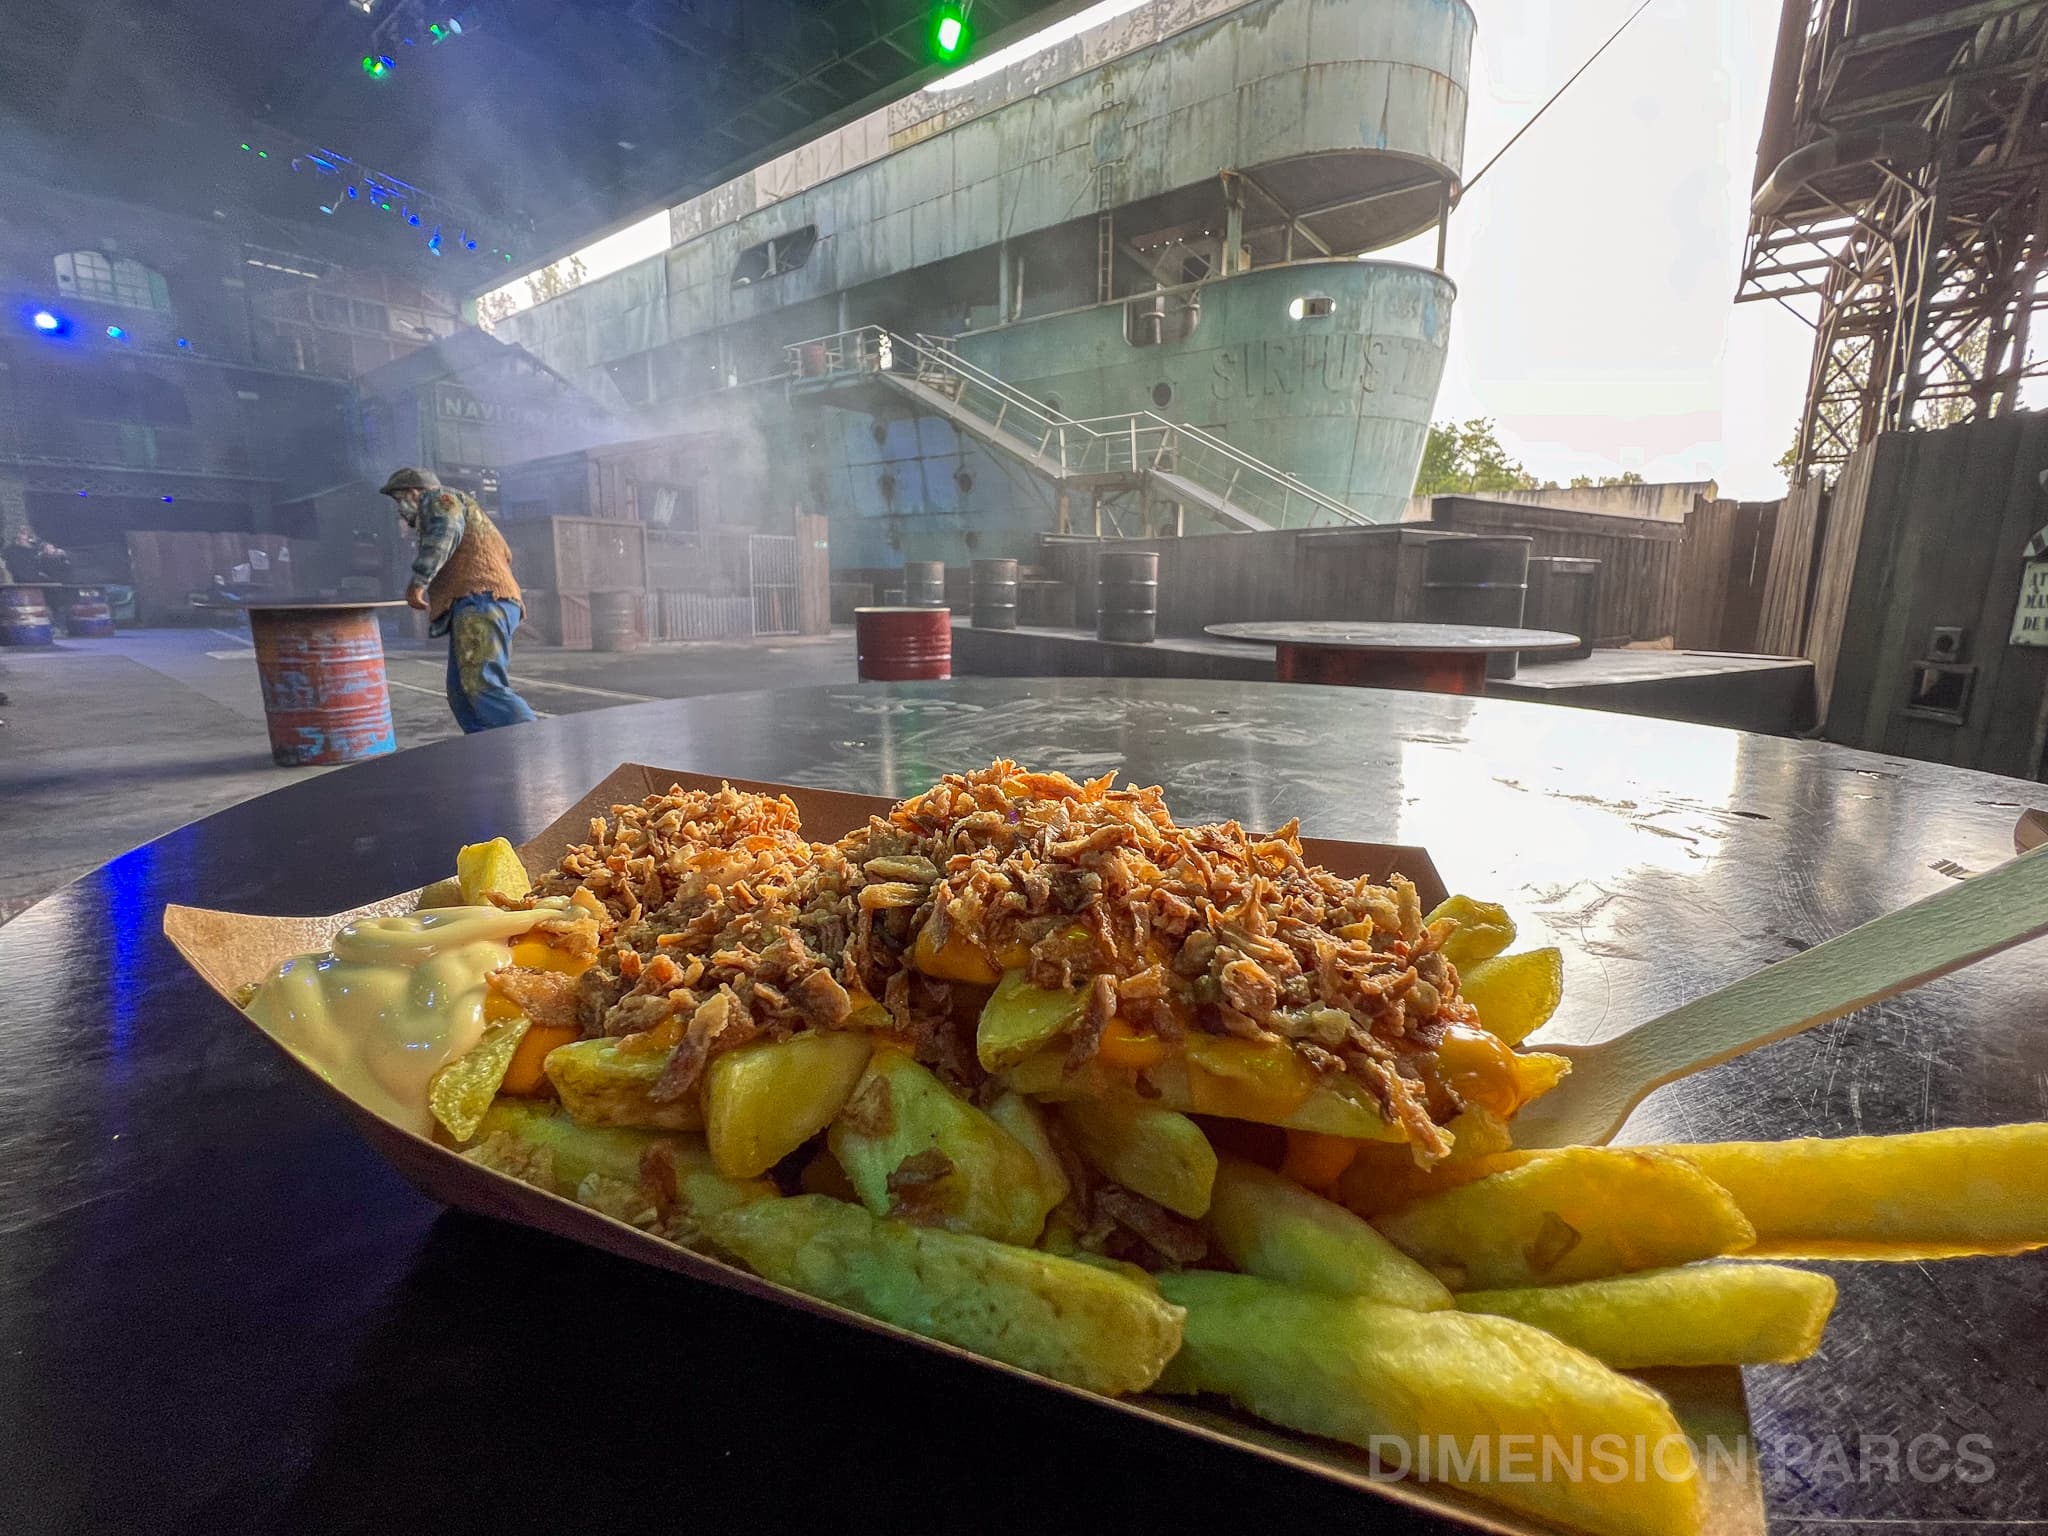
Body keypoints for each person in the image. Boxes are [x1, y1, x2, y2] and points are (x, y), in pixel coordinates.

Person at [378, 467, 537, 732]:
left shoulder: (440, 500)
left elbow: (444, 534)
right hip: (480, 601)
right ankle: (485, 754)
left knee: (483, 686)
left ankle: (535, 744)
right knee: (461, 695)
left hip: (483, 600)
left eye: (399, 500)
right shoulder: (468, 513)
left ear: (414, 493)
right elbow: (504, 554)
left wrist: (418, 582)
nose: (400, 510)